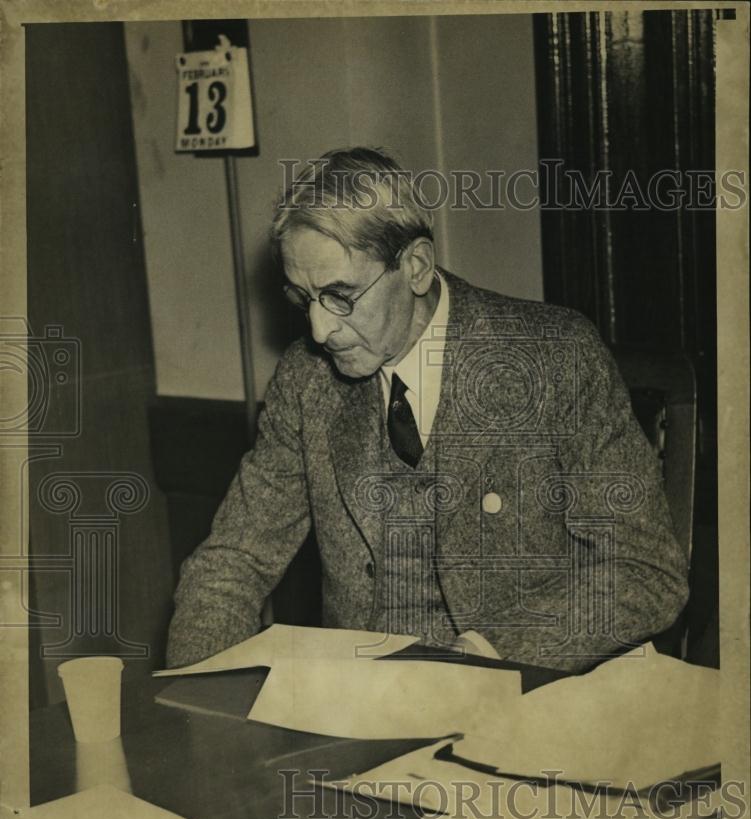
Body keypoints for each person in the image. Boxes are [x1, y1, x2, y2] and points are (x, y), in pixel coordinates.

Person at [166, 147, 689, 671]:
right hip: (362, 712)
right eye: (303, 299)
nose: (320, 331)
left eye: (341, 296)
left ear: (415, 267)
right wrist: (196, 702)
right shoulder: (307, 381)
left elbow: (647, 570)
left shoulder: (555, 357)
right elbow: (233, 561)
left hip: (527, 696)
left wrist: (491, 653)